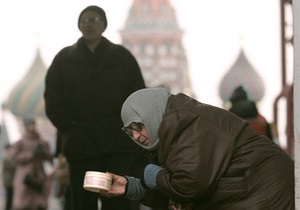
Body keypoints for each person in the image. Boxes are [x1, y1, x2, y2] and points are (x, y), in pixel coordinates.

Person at [99, 87, 294, 209]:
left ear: (152, 115)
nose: (135, 136)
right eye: (129, 131)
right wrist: (132, 187)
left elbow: (190, 186)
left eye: (138, 126)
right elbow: (178, 195)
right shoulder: (168, 133)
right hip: (247, 192)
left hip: (262, 193)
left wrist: (154, 176)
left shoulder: (183, 123)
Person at [44, 5, 147, 210]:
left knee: (119, 202)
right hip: (82, 148)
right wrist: (70, 126)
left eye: (94, 19)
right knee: (83, 202)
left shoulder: (121, 58)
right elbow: (53, 99)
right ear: (79, 26)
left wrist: (127, 130)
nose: (88, 24)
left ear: (104, 24)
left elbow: (137, 96)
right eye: (84, 20)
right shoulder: (64, 60)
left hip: (116, 146)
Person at [10, 118, 52, 210]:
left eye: (33, 125)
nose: (32, 127)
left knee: (39, 202)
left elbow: (49, 157)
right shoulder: (20, 142)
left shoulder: (41, 141)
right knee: (24, 203)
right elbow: (14, 157)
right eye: (30, 125)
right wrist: (31, 154)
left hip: (39, 175)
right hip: (25, 175)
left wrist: (42, 151)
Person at [2, 144, 16, 210]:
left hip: (11, 181)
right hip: (9, 182)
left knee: (10, 198)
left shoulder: (10, 158)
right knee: (9, 198)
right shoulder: (7, 159)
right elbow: (14, 167)